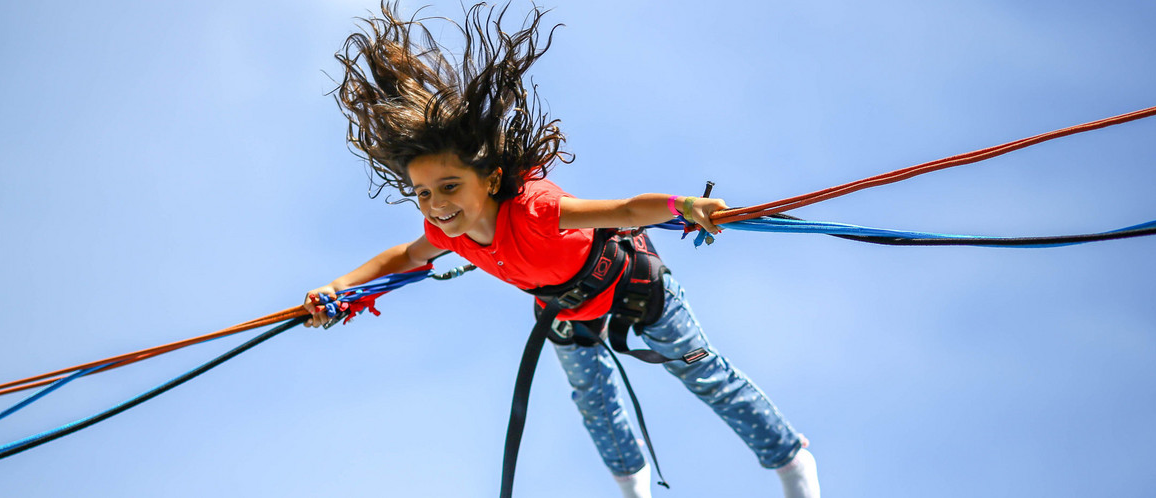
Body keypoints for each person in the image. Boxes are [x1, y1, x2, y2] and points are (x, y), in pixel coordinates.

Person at [304, 3, 821, 497]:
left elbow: (623, 212)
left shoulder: (536, 209)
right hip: (568, 309)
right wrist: (339, 289)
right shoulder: (447, 233)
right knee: (595, 405)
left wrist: (683, 204)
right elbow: (405, 257)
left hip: (636, 287)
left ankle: (792, 461)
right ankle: (634, 490)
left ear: (491, 179)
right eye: (423, 193)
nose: (435, 205)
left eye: (448, 186)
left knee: (706, 377)